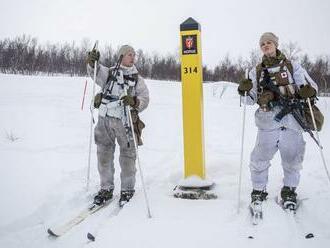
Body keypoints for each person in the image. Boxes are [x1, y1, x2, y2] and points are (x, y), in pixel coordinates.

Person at [238, 32, 318, 210]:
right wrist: (244, 90)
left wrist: (308, 92)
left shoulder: (292, 66)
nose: (266, 46)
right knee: (259, 159)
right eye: (262, 44)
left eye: (269, 43)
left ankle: (289, 191)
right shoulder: (256, 71)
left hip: (292, 122)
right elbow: (249, 99)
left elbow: (312, 87)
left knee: (293, 160)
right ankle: (258, 190)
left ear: (275, 44)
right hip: (267, 122)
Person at [86, 45, 149, 206]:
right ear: (121, 56)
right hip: (104, 120)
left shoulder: (137, 78)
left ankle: (127, 189)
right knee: (103, 155)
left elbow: (145, 99)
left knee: (128, 156)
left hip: (125, 121)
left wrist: (135, 102)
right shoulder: (109, 72)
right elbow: (96, 72)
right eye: (129, 54)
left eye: (134, 55)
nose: (133, 57)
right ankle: (106, 188)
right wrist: (93, 63)